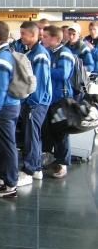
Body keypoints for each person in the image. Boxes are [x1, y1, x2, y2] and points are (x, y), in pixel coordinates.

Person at [0, 21, 21, 198]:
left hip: (5, 108)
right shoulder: (7, 53)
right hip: (11, 106)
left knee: (8, 147)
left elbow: (0, 88)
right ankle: (3, 179)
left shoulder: (1, 58)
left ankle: (11, 185)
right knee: (5, 145)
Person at [16, 21, 52, 187]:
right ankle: (36, 168)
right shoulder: (31, 52)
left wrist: (32, 103)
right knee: (33, 136)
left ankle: (29, 171)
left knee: (31, 137)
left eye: (23, 33)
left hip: (36, 103)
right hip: (31, 102)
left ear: (32, 35)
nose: (21, 37)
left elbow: (37, 82)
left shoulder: (39, 55)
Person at [41, 25, 74, 178]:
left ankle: (62, 163)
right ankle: (49, 157)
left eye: (45, 36)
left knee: (62, 132)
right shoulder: (47, 52)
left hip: (61, 99)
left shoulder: (65, 53)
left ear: (55, 38)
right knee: (48, 130)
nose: (42, 39)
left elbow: (64, 74)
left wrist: (44, 69)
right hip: (49, 98)